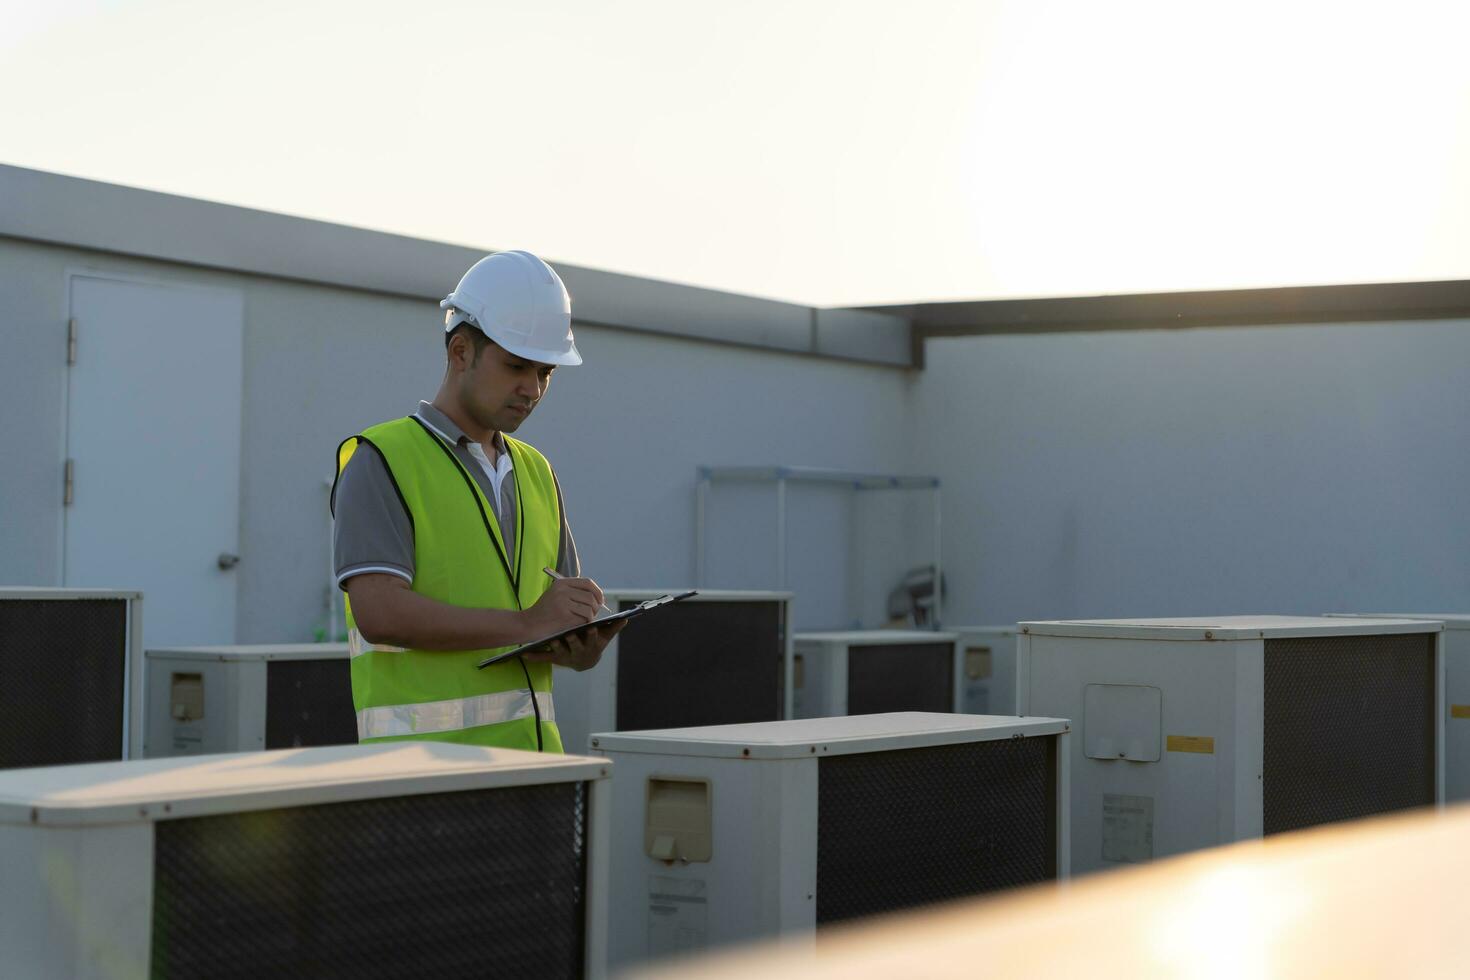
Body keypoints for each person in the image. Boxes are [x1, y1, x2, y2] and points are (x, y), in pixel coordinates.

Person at [330, 250, 622, 752]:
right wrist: (528, 623)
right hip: (421, 782)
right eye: (516, 366)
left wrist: (578, 644)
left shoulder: (537, 472)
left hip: (535, 774)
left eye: (545, 372)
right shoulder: (382, 459)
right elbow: (379, 613)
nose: (532, 388)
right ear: (460, 351)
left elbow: (549, 628)